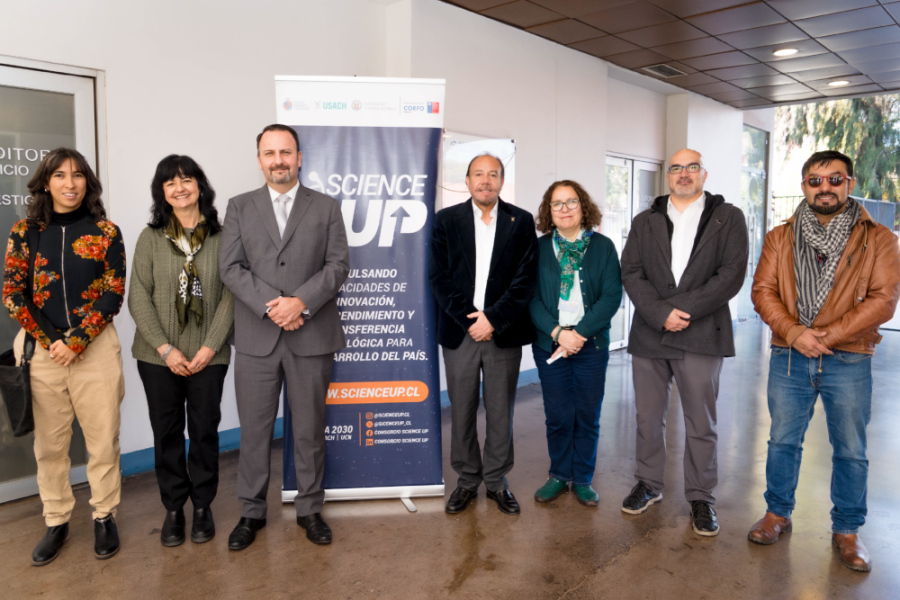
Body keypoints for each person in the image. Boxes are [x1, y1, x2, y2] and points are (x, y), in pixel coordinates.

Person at [748, 150, 900, 572]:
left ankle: (847, 531)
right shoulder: (780, 237)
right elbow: (762, 291)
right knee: (782, 441)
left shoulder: (880, 239)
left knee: (851, 449)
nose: (825, 187)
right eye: (815, 181)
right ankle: (777, 514)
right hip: (789, 356)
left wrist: (827, 337)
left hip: (848, 357)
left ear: (849, 183)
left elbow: (884, 300)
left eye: (834, 179)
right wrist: (796, 333)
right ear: (804, 187)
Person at [219, 124, 349, 549]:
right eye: (270, 152)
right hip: (258, 339)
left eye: (286, 151)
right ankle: (251, 512)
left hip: (312, 337)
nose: (279, 159)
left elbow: (337, 266)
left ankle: (310, 509)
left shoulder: (326, 207)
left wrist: (301, 303)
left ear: (299, 156)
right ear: (259, 159)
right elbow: (231, 268)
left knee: (309, 430)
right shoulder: (239, 207)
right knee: (254, 432)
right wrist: (277, 305)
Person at [3, 148, 126, 564]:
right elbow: (12, 293)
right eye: (59, 175)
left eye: (77, 175)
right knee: (50, 445)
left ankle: (104, 516)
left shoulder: (106, 232)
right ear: (46, 182)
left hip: (94, 351)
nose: (69, 183)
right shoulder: (25, 232)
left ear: (87, 182)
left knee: (102, 439)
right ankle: (56, 520)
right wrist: (54, 339)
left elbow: (113, 292)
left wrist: (76, 341)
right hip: (41, 351)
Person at [620, 148, 748, 536]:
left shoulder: (729, 218)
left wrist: (680, 311)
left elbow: (730, 275)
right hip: (650, 333)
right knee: (647, 417)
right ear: (668, 176)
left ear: (704, 174)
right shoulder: (645, 220)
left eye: (691, 167)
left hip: (701, 333)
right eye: (676, 168)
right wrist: (660, 314)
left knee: (700, 423)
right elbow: (631, 271)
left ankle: (700, 496)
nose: (683, 174)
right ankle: (649, 484)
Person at [128, 155, 234, 547]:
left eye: (186, 180)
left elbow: (232, 295)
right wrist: (165, 347)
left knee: (204, 431)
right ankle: (174, 508)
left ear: (200, 186)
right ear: (162, 193)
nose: (179, 188)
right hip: (158, 357)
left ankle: (203, 506)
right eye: (170, 183)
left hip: (210, 355)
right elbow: (138, 295)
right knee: (167, 432)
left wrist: (210, 345)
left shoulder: (224, 237)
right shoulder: (150, 238)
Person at [429, 153, 538, 516]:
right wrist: (470, 319)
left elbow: (525, 281)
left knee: (500, 412)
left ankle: (496, 481)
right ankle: (466, 480)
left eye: (493, 174)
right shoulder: (446, 220)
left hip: (502, 332)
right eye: (479, 174)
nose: (486, 180)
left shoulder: (520, 221)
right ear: (468, 180)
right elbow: (438, 277)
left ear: (502, 182)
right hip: (460, 334)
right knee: (460, 411)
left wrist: (493, 319)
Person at [529, 181, 621, 507]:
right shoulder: (537, 249)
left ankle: (582, 478)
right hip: (549, 344)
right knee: (557, 415)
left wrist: (578, 334)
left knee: (586, 414)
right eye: (557, 203)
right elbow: (531, 299)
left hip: (590, 344)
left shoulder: (604, 247)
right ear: (548, 211)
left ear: (583, 207)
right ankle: (558, 475)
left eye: (571, 202)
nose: (565, 208)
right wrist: (558, 334)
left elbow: (612, 296)